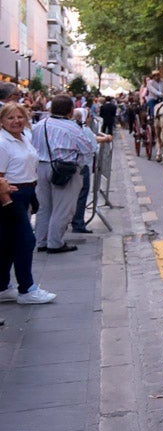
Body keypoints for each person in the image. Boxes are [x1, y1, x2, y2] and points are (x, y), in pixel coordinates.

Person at [0, 105, 56, 304]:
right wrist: (6, 200)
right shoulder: (2, 142)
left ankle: (3, 286)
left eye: (19, 116)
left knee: (7, 243)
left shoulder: (23, 137)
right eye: (10, 118)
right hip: (10, 196)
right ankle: (27, 289)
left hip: (26, 192)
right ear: (1, 121)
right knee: (26, 241)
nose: (16, 121)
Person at [30, 95, 94, 253]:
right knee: (63, 208)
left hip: (41, 167)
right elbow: (88, 149)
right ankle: (55, 242)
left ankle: (41, 241)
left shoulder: (39, 125)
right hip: (64, 169)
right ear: (71, 111)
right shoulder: (72, 128)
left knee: (44, 208)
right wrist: (79, 164)